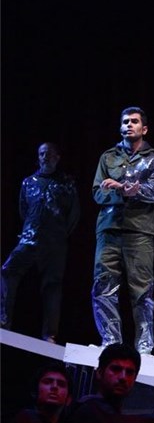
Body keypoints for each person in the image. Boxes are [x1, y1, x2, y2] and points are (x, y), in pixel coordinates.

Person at [91, 106, 154, 356]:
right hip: (109, 229)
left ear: (144, 129)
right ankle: (110, 343)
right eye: (125, 122)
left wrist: (124, 188)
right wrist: (123, 191)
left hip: (139, 232)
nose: (128, 125)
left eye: (134, 121)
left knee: (141, 290)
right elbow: (97, 193)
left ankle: (144, 348)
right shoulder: (108, 157)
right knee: (104, 286)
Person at [1, 142, 79, 342]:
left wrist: (59, 234)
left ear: (57, 157)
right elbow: (24, 210)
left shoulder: (66, 183)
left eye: (49, 154)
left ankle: (49, 334)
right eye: (42, 154)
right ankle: (3, 322)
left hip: (55, 242)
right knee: (8, 270)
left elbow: (73, 214)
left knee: (52, 285)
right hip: (29, 238)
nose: (45, 157)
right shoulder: (29, 182)